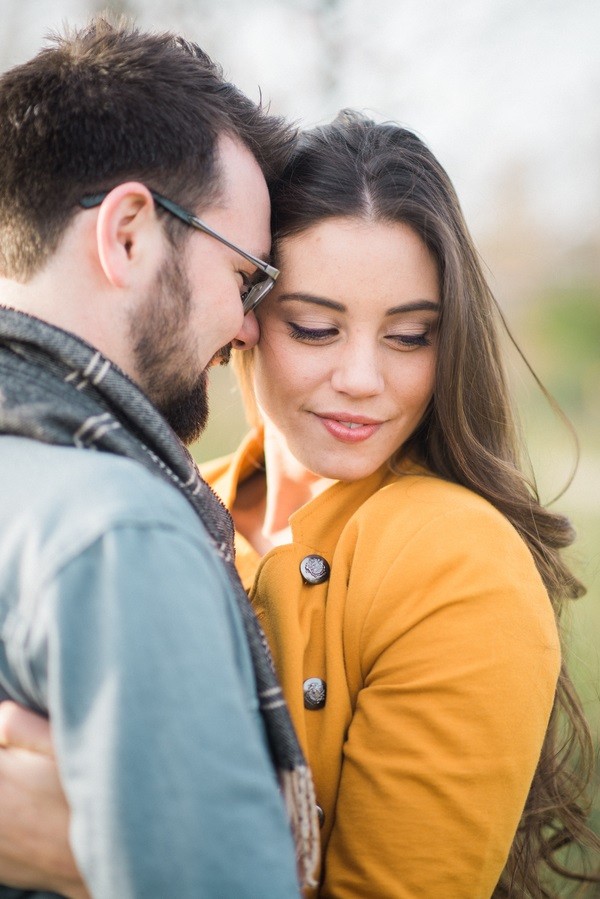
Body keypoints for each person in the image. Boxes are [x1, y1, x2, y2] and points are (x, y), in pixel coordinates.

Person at [1, 110, 599, 898]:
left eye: (410, 336)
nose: (362, 377)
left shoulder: (458, 560)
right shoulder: (154, 503)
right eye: (315, 328)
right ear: (243, 314)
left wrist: (104, 858)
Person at [0, 15, 320, 899]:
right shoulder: (119, 535)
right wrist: (101, 857)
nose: (251, 325)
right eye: (247, 275)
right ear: (130, 232)